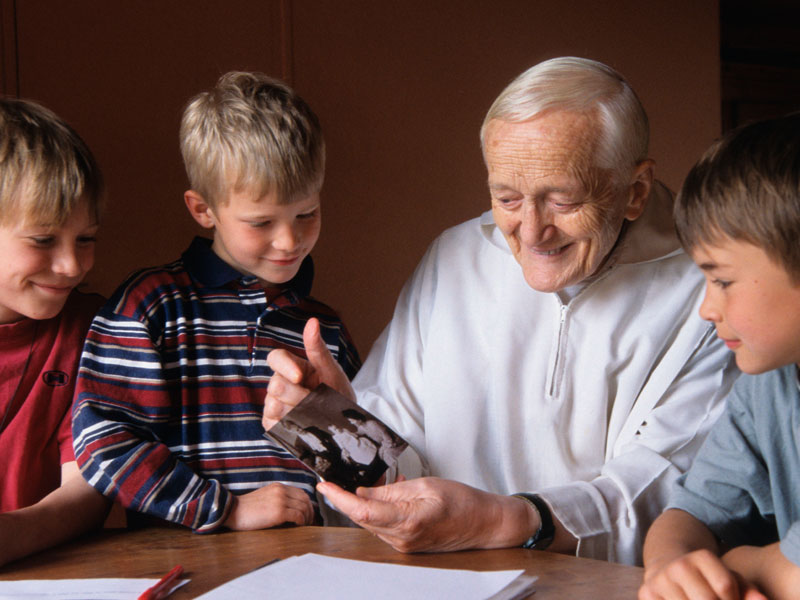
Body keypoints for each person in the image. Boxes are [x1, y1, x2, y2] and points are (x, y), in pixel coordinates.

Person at [263, 57, 738, 565]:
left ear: (635, 192)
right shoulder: (454, 257)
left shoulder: (711, 290)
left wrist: (505, 520)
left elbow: (673, 492)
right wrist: (342, 432)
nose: (531, 232)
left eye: (564, 200)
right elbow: (400, 465)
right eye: (507, 197)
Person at [71, 72, 361, 533]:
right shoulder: (152, 306)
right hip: (189, 568)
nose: (290, 240)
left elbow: (357, 473)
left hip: (312, 566)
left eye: (307, 213)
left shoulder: (323, 327)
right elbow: (102, 439)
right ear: (203, 209)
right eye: (261, 222)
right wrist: (227, 509)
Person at [639, 114, 800, 599]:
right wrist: (674, 569)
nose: (708, 308)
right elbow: (688, 515)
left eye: (722, 280)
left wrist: (741, 563)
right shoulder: (766, 383)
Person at [0, 97, 109, 565]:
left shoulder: (93, 331)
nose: (71, 266)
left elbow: (89, 489)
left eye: (86, 239)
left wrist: (13, 535)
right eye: (43, 239)